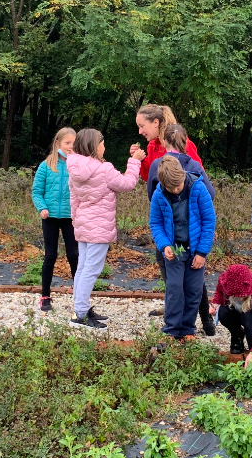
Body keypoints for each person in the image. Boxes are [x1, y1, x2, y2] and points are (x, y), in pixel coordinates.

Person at [66, 128, 144, 329]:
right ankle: (80, 314)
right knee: (91, 270)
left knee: (83, 268)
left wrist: (77, 221)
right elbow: (127, 184)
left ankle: (80, 308)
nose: (104, 147)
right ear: (94, 146)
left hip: (83, 225)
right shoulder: (104, 169)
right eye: (102, 143)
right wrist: (135, 161)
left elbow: (73, 199)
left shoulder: (74, 170)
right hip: (99, 227)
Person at [146, 123, 216, 335]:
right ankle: (171, 330)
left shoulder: (198, 187)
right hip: (174, 249)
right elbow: (155, 223)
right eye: (171, 188)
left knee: (194, 291)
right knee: (174, 289)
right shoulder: (159, 193)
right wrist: (164, 244)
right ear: (163, 184)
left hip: (195, 249)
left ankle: (188, 330)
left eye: (178, 186)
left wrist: (202, 253)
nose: (176, 190)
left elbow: (208, 221)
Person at [31, 127, 78, 312]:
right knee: (50, 255)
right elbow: (36, 191)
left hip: (70, 217)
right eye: (67, 143)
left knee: (74, 255)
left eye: (73, 144)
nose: (70, 147)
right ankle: (45, 296)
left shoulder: (77, 165)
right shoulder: (46, 165)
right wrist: (42, 207)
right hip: (49, 217)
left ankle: (79, 295)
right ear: (57, 143)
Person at [210, 264, 252, 363]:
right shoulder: (224, 279)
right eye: (236, 296)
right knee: (223, 313)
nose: (240, 299)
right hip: (235, 311)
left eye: (243, 296)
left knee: (248, 319)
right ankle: (237, 334)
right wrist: (215, 304)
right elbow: (219, 292)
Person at [133, 104, 202, 183]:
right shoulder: (152, 146)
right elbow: (150, 177)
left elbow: (199, 176)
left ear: (155, 122)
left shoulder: (182, 144)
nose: (140, 132)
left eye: (142, 126)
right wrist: (140, 160)